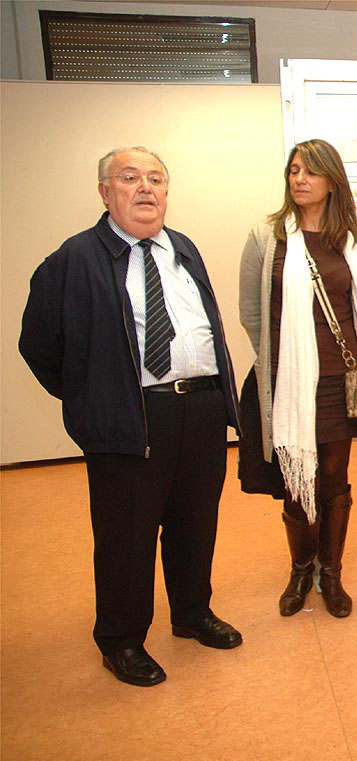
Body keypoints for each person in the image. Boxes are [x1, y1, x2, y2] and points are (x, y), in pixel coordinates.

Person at [19, 146, 241, 687]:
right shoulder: (73, 259)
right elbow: (39, 345)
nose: (145, 188)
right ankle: (120, 640)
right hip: (131, 415)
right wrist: (94, 397)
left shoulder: (183, 248)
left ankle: (191, 612)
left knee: (195, 521)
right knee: (127, 534)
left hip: (201, 407)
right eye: (129, 177)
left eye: (156, 179)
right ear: (105, 192)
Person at [240, 139, 357, 619]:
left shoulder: (352, 239)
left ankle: (331, 573)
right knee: (295, 478)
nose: (299, 180)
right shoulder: (266, 237)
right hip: (288, 381)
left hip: (337, 380)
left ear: (332, 181)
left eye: (310, 172)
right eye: (293, 171)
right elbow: (252, 313)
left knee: (333, 476)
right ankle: (300, 570)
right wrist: (279, 364)